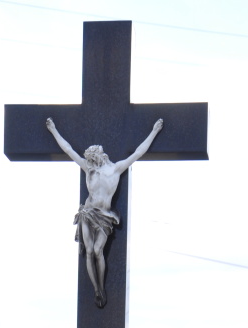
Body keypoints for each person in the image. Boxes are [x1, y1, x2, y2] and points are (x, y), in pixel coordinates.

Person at [46, 116, 164, 308]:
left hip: (105, 216)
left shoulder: (116, 169)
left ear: (99, 156)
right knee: (89, 251)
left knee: (98, 250)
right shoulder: (88, 169)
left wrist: (154, 131)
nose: (91, 162)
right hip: (88, 213)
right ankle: (97, 290)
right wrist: (53, 130)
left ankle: (101, 286)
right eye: (90, 160)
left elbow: (138, 152)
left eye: (93, 159)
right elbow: (68, 150)